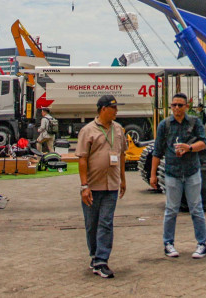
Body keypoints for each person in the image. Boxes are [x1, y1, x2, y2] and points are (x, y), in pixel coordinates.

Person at [149, 92, 206, 260]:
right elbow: (157, 151)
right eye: (174, 105)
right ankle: (168, 243)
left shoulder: (195, 122)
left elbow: (203, 143)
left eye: (180, 105)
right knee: (171, 209)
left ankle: (202, 244)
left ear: (186, 107)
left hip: (191, 172)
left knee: (196, 208)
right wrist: (153, 175)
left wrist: (189, 148)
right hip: (172, 173)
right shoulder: (165, 125)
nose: (176, 108)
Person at [75, 94, 126, 279]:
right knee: (92, 224)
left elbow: (121, 155)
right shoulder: (87, 131)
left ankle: (102, 260)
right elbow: (82, 159)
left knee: (106, 222)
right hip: (92, 186)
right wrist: (84, 186)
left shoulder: (119, 129)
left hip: (111, 186)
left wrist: (123, 179)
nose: (116, 111)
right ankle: (95, 256)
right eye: (113, 108)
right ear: (103, 109)